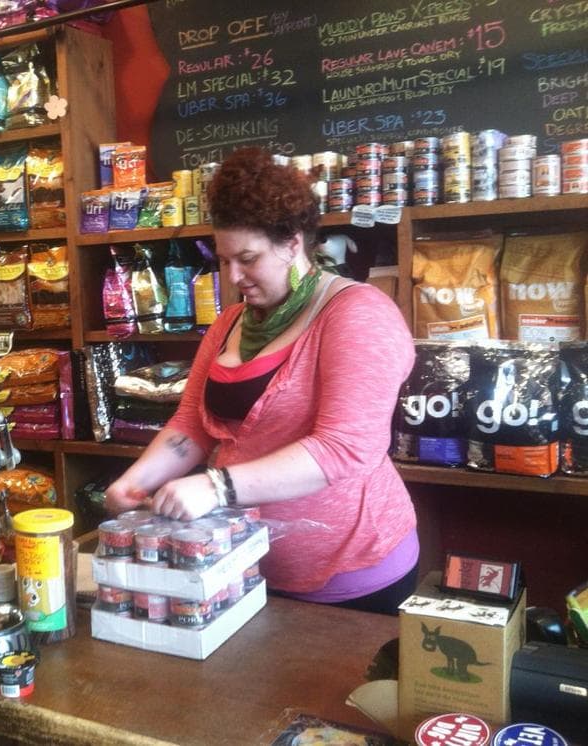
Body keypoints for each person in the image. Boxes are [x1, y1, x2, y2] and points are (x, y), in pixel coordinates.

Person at [105, 147, 418, 616]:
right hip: (243, 564)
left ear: (293, 243)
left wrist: (216, 488)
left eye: (247, 258)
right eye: (224, 259)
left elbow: (344, 447)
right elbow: (193, 420)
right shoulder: (231, 322)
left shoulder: (359, 315)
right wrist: (135, 482)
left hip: (353, 576)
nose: (233, 276)